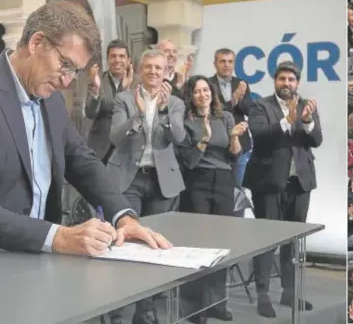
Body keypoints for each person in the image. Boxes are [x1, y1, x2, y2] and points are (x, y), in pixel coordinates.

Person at [0, 1, 170, 264]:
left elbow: (82, 161)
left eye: (75, 71)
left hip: (25, 257)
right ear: (36, 43)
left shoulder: (51, 99)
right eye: (65, 64)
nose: (67, 81)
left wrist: (123, 216)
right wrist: (60, 237)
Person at [107, 48, 187, 324]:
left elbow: (177, 136)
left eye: (159, 68)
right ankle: (116, 311)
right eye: (148, 67)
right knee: (124, 244)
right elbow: (116, 137)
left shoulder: (175, 103)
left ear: (167, 73)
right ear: (140, 71)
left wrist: (162, 111)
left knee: (155, 248)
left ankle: (145, 311)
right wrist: (138, 116)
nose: (153, 72)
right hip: (128, 179)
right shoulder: (123, 99)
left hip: (161, 181)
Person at [243, 61, 322, 318]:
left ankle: (289, 291)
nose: (286, 83)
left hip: (299, 184)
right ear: (275, 81)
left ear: (297, 83)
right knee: (266, 241)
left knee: (292, 242)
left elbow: (316, 140)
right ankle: (263, 294)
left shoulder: (306, 105)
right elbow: (260, 136)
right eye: (282, 79)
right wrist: (287, 121)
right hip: (268, 184)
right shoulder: (260, 105)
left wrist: (307, 122)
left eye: (291, 79)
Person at [177, 75, 248, 323]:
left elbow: (235, 155)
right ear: (190, 96)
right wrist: (204, 138)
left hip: (224, 181)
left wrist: (235, 137)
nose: (202, 95)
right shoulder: (186, 120)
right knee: (200, 244)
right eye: (196, 91)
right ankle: (196, 308)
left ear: (212, 93)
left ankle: (217, 302)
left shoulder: (225, 116)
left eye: (205, 90)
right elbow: (188, 161)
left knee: (220, 245)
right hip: (197, 182)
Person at [208, 49, 254, 186]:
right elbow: (211, 111)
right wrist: (232, 101)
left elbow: (249, 110)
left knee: (238, 190)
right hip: (216, 145)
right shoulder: (207, 84)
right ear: (215, 64)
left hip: (240, 144)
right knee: (218, 188)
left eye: (230, 61)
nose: (226, 65)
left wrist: (240, 99)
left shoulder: (242, 83)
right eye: (222, 61)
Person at [85, 39, 134, 164]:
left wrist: (125, 89)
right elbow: (90, 113)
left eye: (121, 56)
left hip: (127, 149)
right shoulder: (98, 80)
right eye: (113, 56)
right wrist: (96, 89)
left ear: (128, 60)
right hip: (100, 149)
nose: (117, 60)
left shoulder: (138, 82)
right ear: (107, 60)